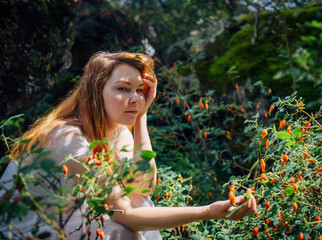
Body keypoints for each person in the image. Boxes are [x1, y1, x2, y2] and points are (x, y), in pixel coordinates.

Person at [1, 51, 257, 239]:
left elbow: (141, 190)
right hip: (24, 230)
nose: (134, 98)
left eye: (139, 90)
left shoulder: (117, 131)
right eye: (123, 89)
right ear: (95, 92)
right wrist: (208, 211)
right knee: (122, 229)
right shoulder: (68, 139)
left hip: (66, 218)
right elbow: (125, 214)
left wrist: (141, 116)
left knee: (138, 210)